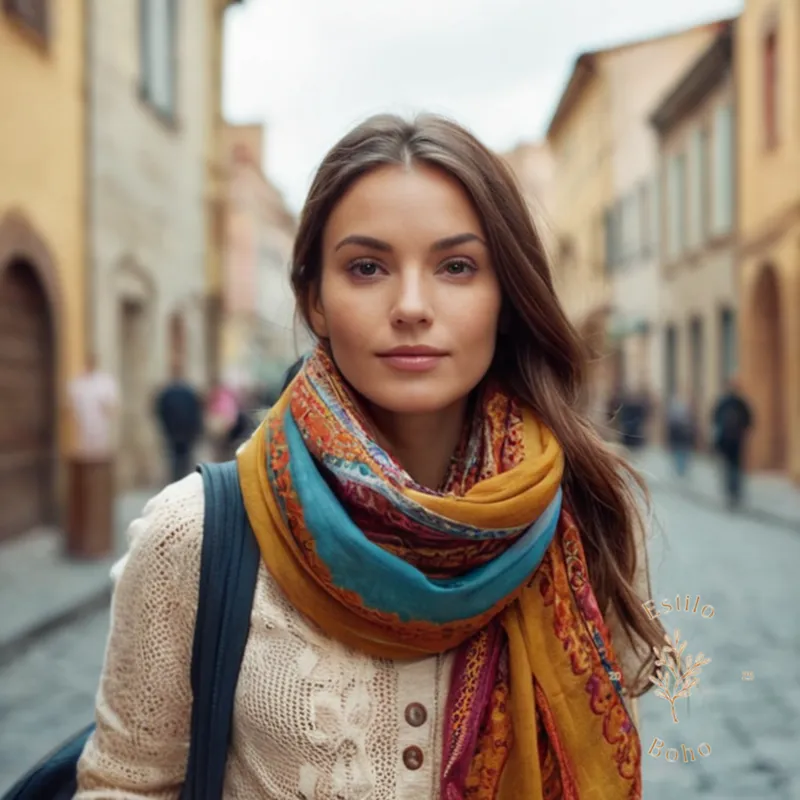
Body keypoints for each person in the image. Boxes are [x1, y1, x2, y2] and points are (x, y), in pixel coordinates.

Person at [76, 114, 665, 799]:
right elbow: (123, 784)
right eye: (366, 267)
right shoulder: (198, 534)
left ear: (505, 298)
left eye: (456, 266)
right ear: (314, 300)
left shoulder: (584, 514)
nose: (411, 306)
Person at [66, 353, 119, 557]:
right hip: (81, 443)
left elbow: (111, 407)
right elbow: (70, 409)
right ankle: (81, 539)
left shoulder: (105, 383)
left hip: (100, 441)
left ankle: (99, 538)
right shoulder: (77, 383)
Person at [154, 364, 203, 483]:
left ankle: (178, 479)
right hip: (180, 431)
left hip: (177, 431)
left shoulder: (172, 392)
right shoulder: (184, 392)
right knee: (181, 457)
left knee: (179, 457)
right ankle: (180, 479)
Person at [712, 376, 753, 509]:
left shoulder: (734, 403)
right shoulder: (731, 403)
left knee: (733, 467)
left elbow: (749, 419)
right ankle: (733, 492)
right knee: (732, 467)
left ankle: (733, 492)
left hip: (733, 441)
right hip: (730, 441)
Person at [666, 392, 695, 476]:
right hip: (680, 437)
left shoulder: (684, 413)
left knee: (681, 452)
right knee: (680, 452)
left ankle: (681, 468)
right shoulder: (679, 414)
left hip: (683, 437)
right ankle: (681, 468)